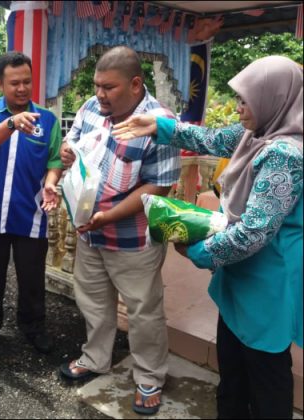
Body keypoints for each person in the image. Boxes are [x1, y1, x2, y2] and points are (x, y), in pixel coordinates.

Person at [114, 55, 302, 419]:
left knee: (265, 375)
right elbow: (211, 138)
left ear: (274, 98)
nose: (239, 108)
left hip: (267, 281)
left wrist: (199, 252)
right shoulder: (258, 133)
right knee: (232, 370)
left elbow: (253, 232)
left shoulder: (285, 155)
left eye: (246, 99)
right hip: (243, 276)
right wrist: (157, 126)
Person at [58, 46, 181, 416]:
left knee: (143, 310)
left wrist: (109, 217)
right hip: (88, 232)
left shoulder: (160, 122)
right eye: (96, 85)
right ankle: (95, 358)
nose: (99, 94)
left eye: (108, 87)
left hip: (131, 239)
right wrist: (66, 150)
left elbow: (159, 186)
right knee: (93, 302)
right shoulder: (92, 108)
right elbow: (73, 140)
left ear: (136, 84)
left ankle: (149, 375)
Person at [0, 51, 63, 355]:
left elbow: (55, 159)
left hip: (31, 216)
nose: (21, 88)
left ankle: (33, 327)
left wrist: (51, 183)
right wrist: (11, 123)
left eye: (27, 82)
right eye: (14, 83)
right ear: (0, 83)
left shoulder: (47, 120)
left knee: (32, 280)